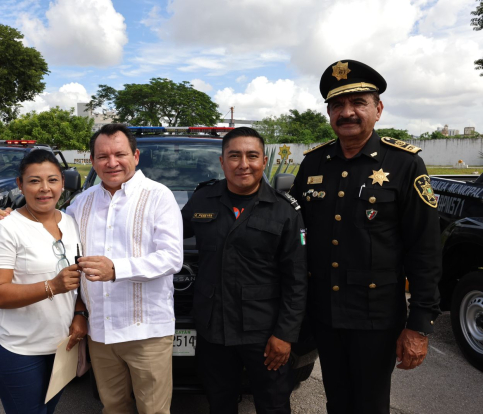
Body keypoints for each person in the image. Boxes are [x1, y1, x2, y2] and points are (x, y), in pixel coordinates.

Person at [0, 124, 184, 413]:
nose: (111, 163)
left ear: (135, 155)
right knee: (112, 406)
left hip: (145, 331)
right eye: (102, 156)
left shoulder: (158, 196)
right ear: (92, 161)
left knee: (154, 410)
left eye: (120, 154)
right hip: (100, 331)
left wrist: (116, 269)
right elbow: (51, 236)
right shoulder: (80, 204)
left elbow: (172, 257)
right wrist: (11, 219)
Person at [290, 60, 442, 414]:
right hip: (324, 314)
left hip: (376, 318)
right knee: (337, 402)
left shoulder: (404, 164)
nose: (347, 113)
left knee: (371, 405)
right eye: (338, 105)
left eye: (358, 102)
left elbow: (426, 249)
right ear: (329, 112)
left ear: (378, 109)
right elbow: (294, 234)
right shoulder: (313, 164)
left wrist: (419, 325)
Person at [181, 127, 307, 414]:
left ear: (263, 161)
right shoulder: (203, 200)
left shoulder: (285, 210)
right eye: (234, 156)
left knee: (273, 404)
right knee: (219, 402)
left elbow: (297, 280)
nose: (243, 164)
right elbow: (163, 237)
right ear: (222, 162)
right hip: (214, 330)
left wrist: (285, 335)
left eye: (251, 156)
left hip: (263, 334)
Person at [0, 149, 87, 414]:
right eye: (34, 181)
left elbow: (77, 283)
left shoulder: (72, 222)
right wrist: (53, 286)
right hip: (19, 349)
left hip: (60, 346)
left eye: (52, 180)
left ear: (63, 183)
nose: (44, 189)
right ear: (20, 184)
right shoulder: (5, 229)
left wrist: (79, 313)